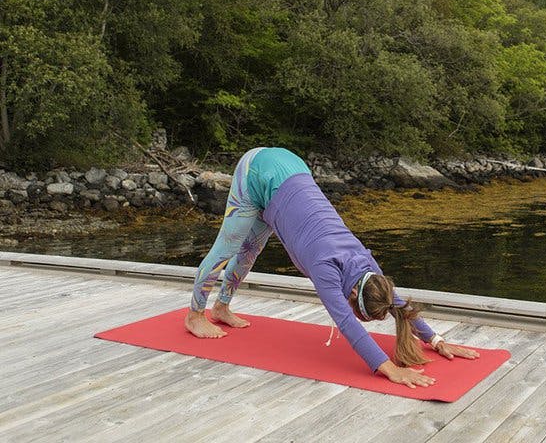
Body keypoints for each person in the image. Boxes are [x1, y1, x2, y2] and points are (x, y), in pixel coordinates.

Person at [185, 147, 479, 388]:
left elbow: (398, 304)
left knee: (250, 251)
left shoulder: (367, 265)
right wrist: (389, 369)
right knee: (228, 248)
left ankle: (221, 309)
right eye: (359, 311)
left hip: (291, 172)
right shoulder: (326, 268)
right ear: (353, 294)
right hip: (260, 171)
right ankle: (195, 315)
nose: (354, 313)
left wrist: (436, 340)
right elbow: (348, 325)